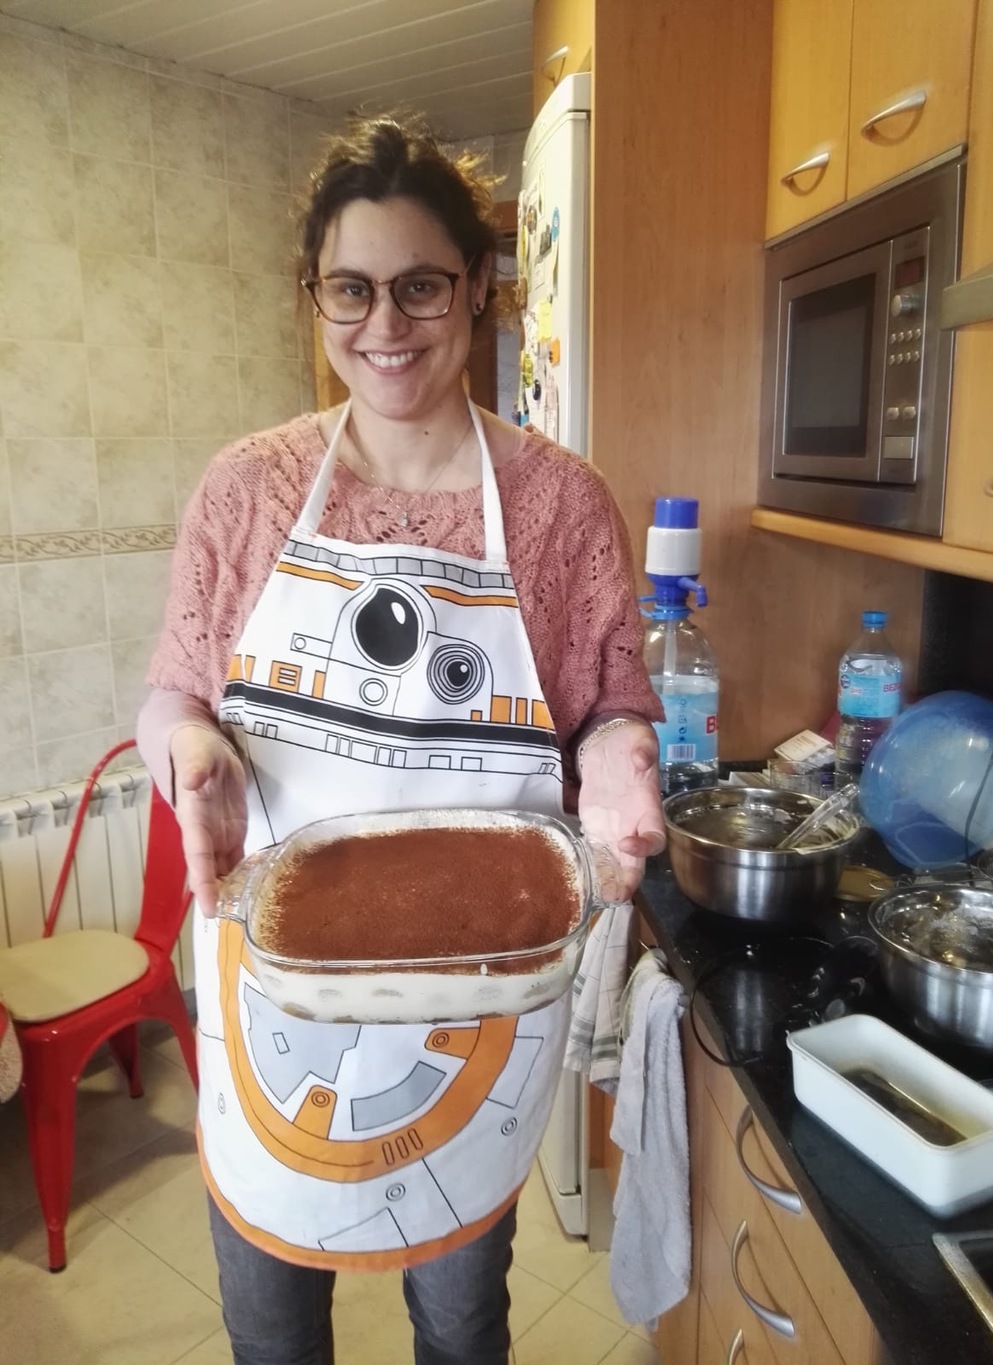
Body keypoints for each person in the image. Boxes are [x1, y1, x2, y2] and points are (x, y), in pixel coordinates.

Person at [137, 113, 664, 1365]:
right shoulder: (246, 489)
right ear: (315, 297)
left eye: (421, 285)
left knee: (462, 1320)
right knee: (269, 1324)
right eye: (350, 289)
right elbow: (172, 696)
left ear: (477, 287)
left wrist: (618, 761)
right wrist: (187, 749)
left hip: (480, 992)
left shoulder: (560, 504)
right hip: (272, 984)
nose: (385, 324)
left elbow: (607, 704)